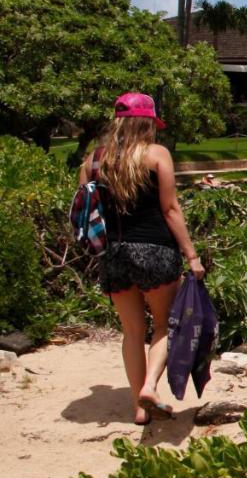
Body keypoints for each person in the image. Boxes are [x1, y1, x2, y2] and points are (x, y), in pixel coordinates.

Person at [82, 92, 204, 425]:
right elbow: (170, 208)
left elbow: (88, 210)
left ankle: (139, 409)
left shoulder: (94, 159)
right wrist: (191, 254)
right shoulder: (156, 154)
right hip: (156, 252)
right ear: (147, 123)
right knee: (165, 325)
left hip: (114, 254)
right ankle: (150, 385)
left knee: (132, 331)